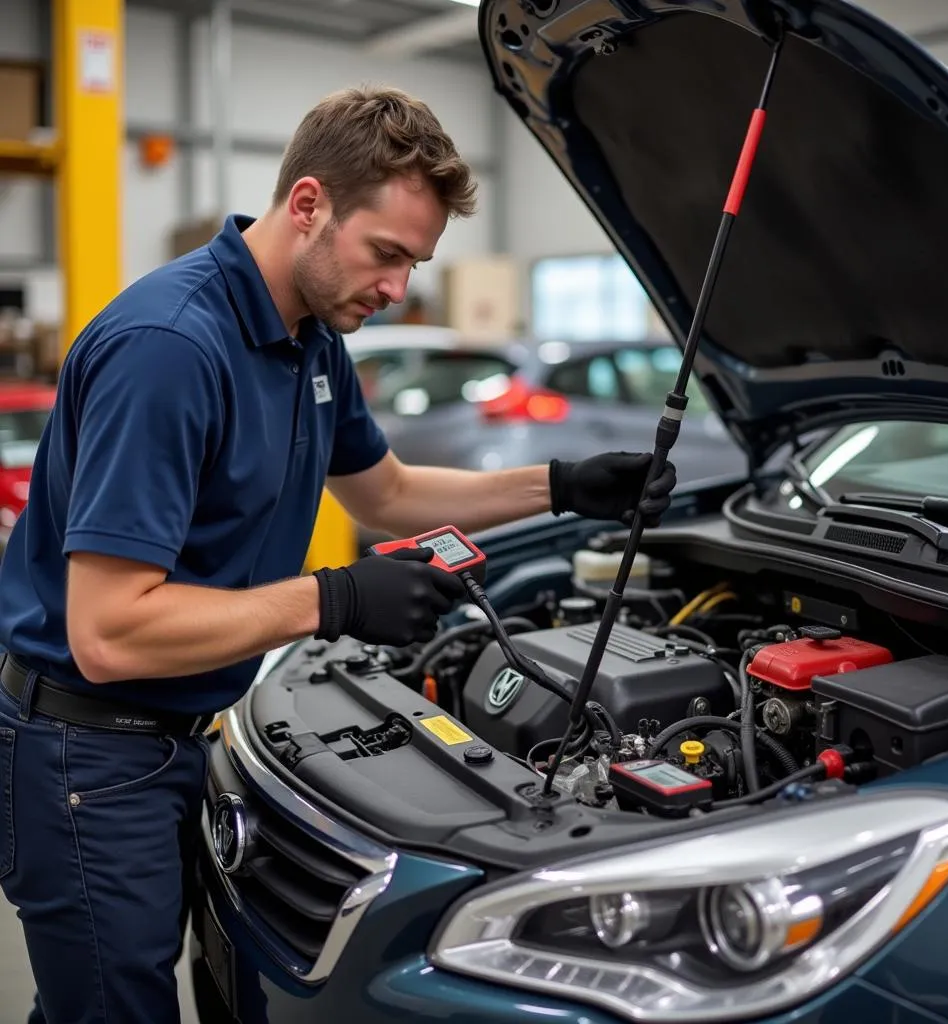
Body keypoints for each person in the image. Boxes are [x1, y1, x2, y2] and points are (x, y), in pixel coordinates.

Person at [0, 86, 676, 1023]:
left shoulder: (309, 336)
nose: (399, 288)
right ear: (309, 204)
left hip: (184, 735)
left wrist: (560, 485)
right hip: (90, 755)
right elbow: (108, 632)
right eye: (387, 254)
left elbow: (387, 492)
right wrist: (333, 599)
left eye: (416, 262)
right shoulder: (169, 349)